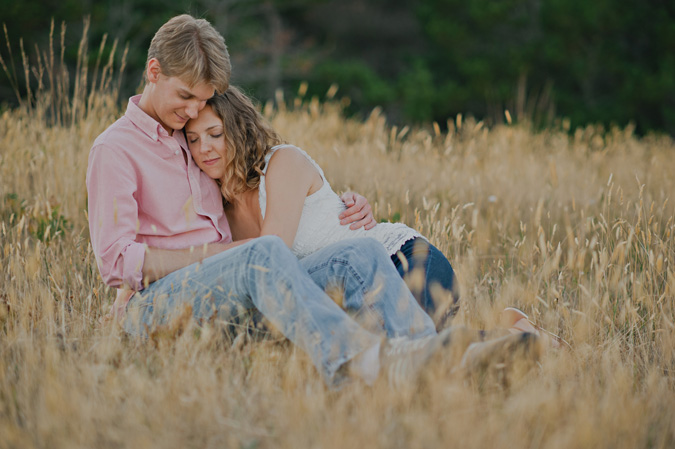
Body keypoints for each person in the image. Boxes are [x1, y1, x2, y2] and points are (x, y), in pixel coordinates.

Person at [87, 14, 532, 388]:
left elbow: (256, 186)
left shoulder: (191, 139)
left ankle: (428, 365)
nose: (191, 114)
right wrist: (214, 257)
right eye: (184, 97)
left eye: (201, 104)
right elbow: (115, 259)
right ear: (153, 72)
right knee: (263, 252)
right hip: (163, 302)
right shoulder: (116, 150)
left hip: (241, 287)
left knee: (358, 252)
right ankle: (361, 367)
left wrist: (341, 204)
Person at [184, 86, 460, 329]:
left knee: (399, 343)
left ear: (238, 130)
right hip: (344, 295)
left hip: (402, 261)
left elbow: (272, 255)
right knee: (380, 352)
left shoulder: (283, 162)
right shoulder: (219, 215)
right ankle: (499, 338)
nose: (203, 148)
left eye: (215, 134)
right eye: (193, 139)